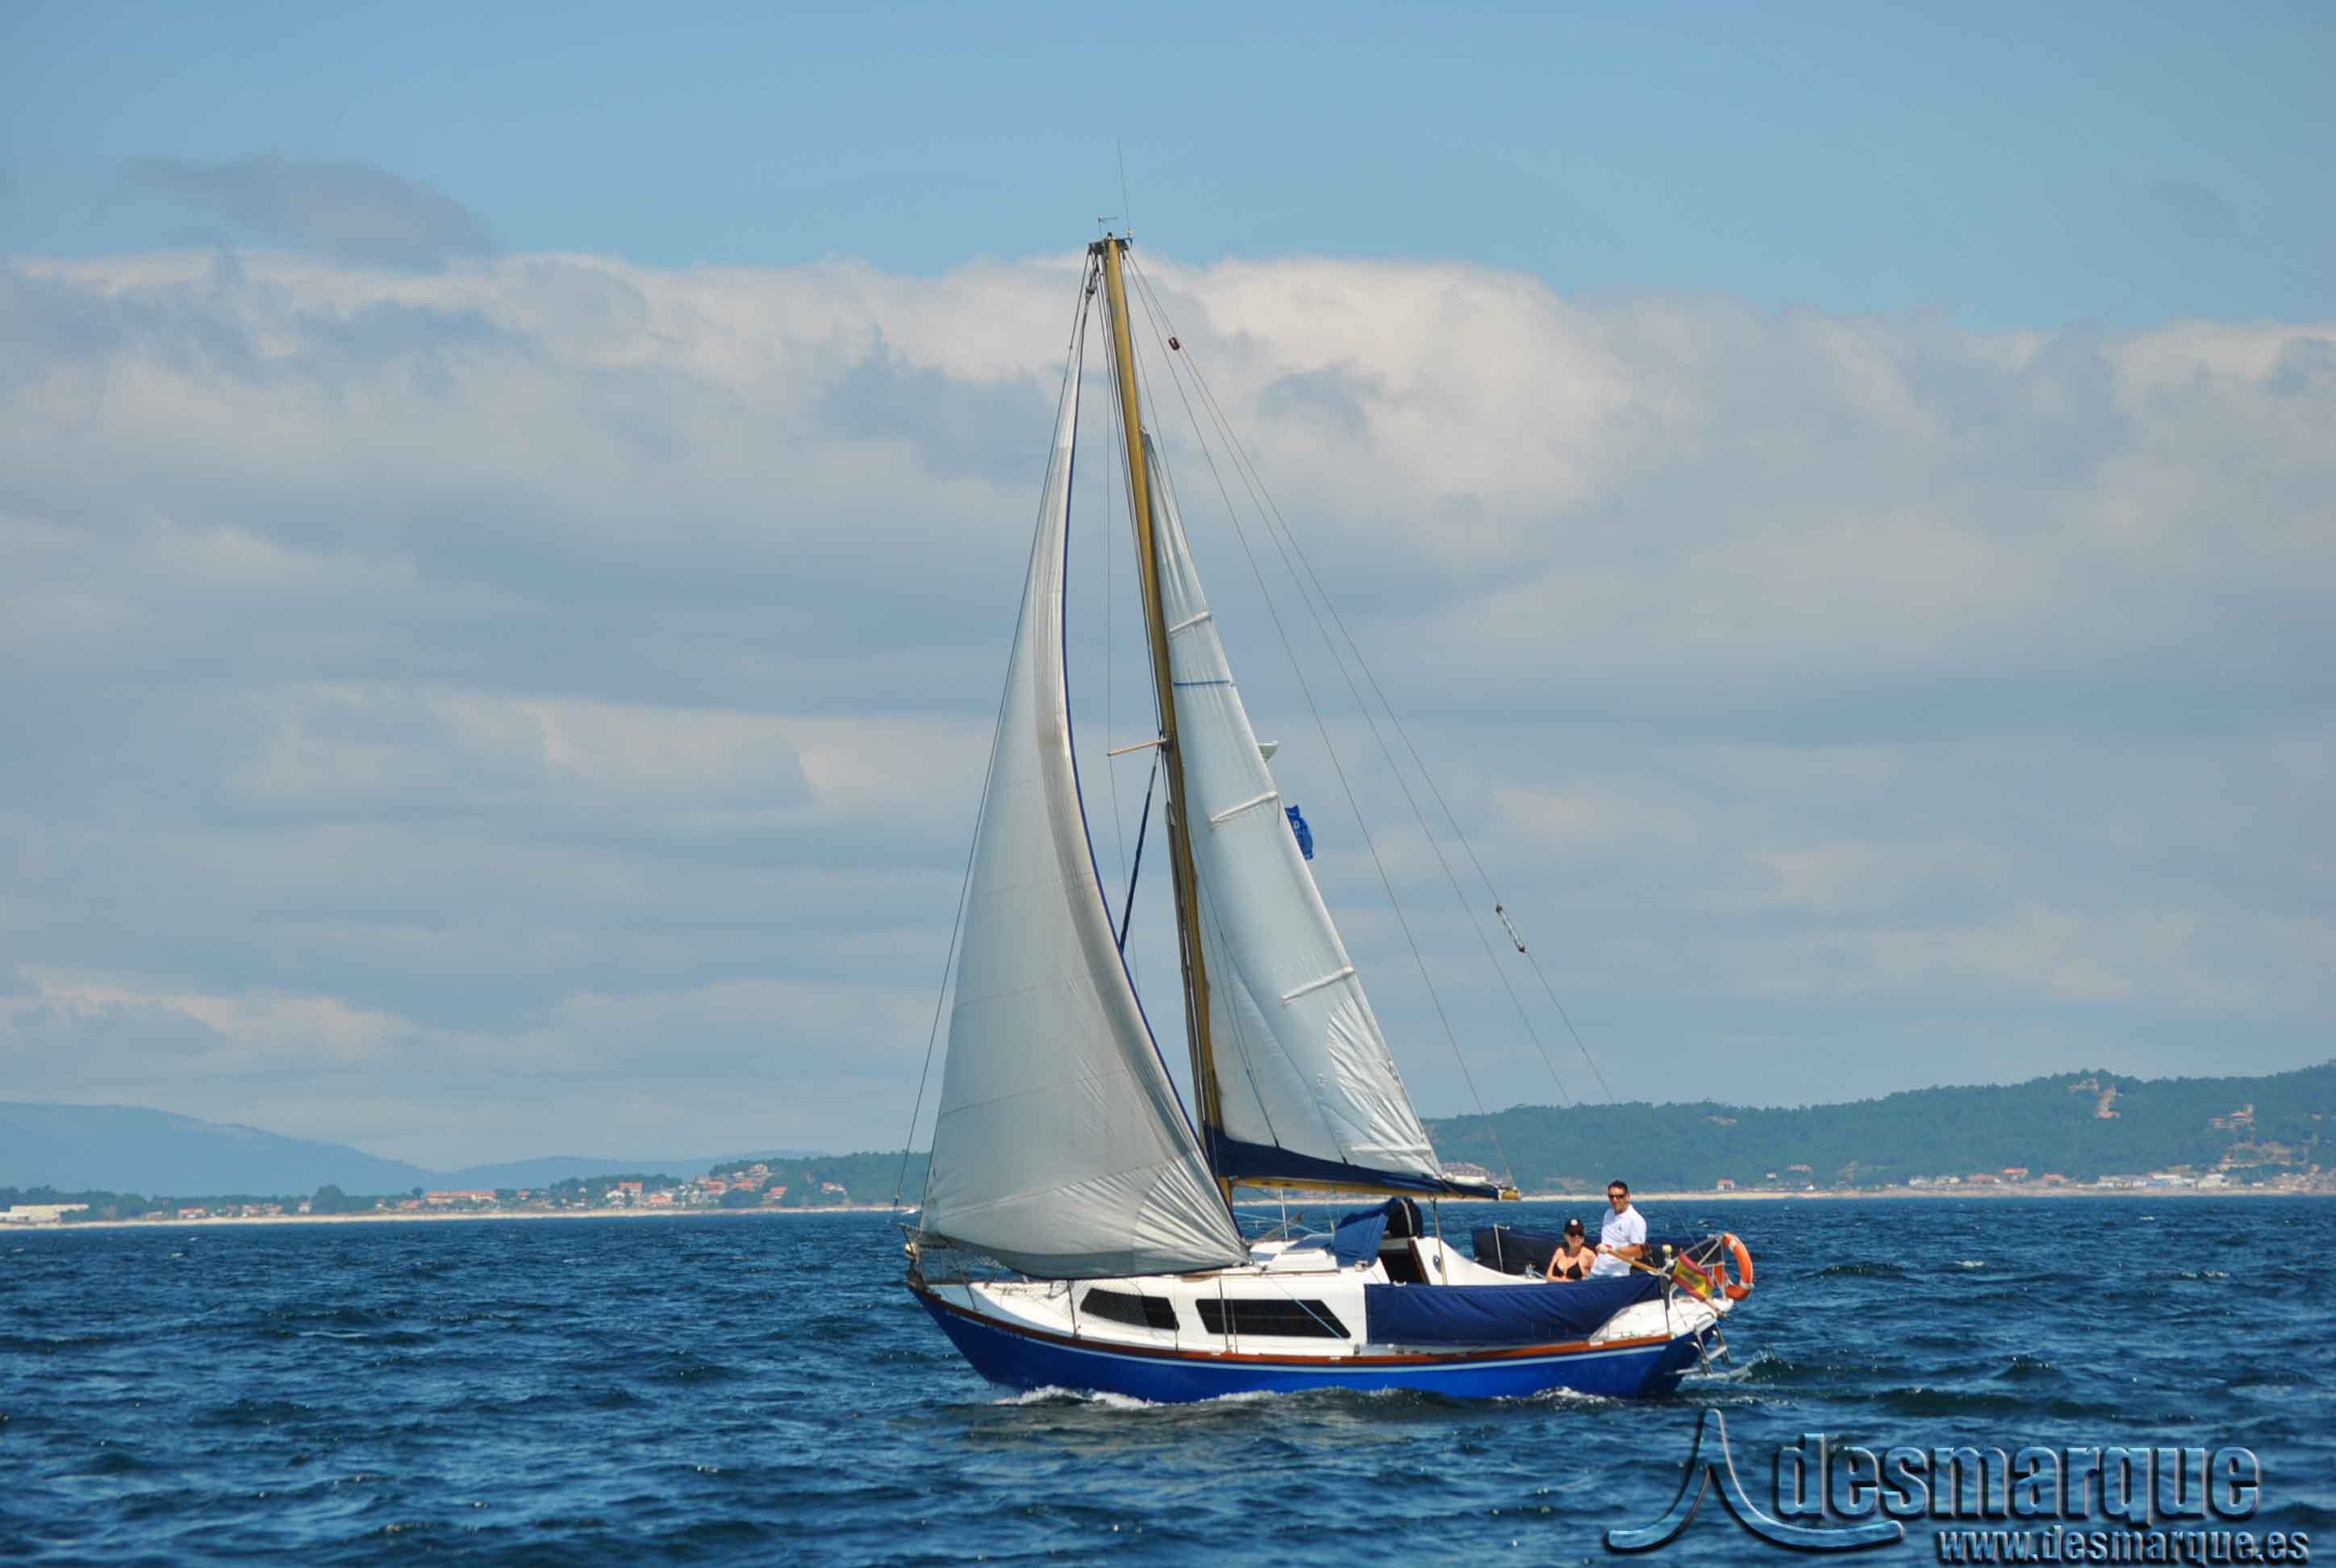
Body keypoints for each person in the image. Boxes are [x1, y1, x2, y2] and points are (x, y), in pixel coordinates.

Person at [1590, 1179, 1646, 1278]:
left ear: (1628, 1197)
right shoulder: (1608, 1214)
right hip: (1596, 1271)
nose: (1615, 1200)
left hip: (1616, 1275)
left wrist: (1613, 1250)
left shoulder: (1635, 1220)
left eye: (1620, 1196)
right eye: (1611, 1197)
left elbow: (1639, 1252)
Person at [1542, 1218, 1599, 1282]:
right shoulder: (1559, 1252)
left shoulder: (1589, 1255)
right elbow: (1548, 1276)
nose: (1577, 1237)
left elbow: (1597, 1279)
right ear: (1565, 1236)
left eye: (1580, 1233)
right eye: (1572, 1234)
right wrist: (1564, 1281)